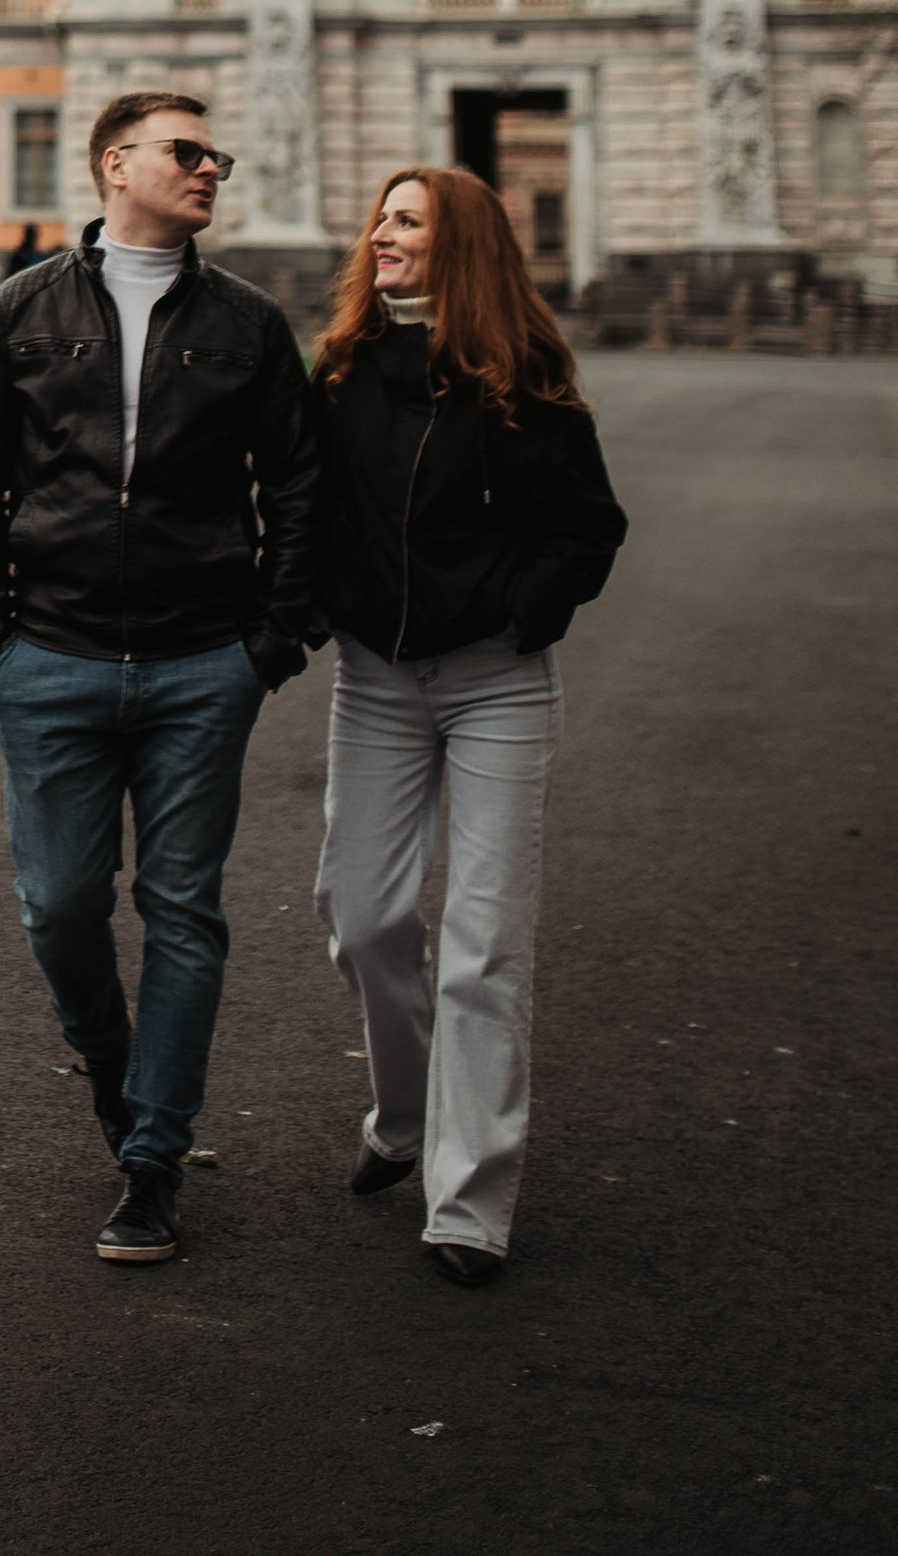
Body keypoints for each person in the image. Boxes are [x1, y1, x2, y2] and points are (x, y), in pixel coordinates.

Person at [0, 89, 319, 1266]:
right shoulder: (25, 305)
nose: (212, 167)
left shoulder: (248, 322)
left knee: (181, 910)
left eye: (217, 154)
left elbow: (299, 489)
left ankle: (152, 1155)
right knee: (59, 907)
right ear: (117, 164)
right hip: (46, 658)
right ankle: (114, 1068)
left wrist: (269, 643)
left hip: (201, 661)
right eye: (187, 149)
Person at [309, 166, 627, 1287]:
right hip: (376, 681)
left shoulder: (524, 378)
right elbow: (313, 509)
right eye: (382, 218)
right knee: (360, 917)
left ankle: (468, 1199)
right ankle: (402, 1116)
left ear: (463, 249)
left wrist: (517, 612)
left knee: (483, 944)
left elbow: (588, 528)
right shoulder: (341, 369)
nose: (381, 235)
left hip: (496, 684)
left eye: (408, 221)